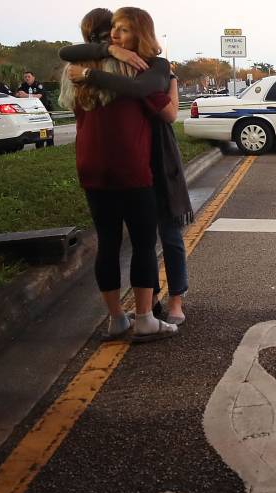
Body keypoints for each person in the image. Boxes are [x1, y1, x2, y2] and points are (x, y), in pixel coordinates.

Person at [61, 16, 191, 326]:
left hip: (97, 166)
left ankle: (122, 317)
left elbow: (67, 53)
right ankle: (147, 314)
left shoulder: (77, 73)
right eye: (113, 32)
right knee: (146, 242)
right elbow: (168, 112)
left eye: (124, 30)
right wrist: (111, 55)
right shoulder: (128, 67)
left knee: (112, 242)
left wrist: (93, 70)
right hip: (134, 165)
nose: (117, 37)